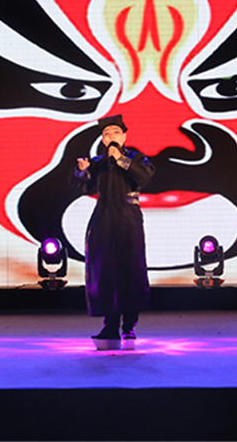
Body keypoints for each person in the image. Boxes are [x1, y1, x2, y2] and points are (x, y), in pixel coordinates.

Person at [74, 114, 155, 350]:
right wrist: (82, 171)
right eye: (107, 133)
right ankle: (110, 326)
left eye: (115, 132)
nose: (111, 136)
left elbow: (144, 176)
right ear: (102, 139)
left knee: (130, 268)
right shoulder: (98, 162)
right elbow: (82, 187)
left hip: (128, 217)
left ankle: (129, 326)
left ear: (124, 136)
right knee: (104, 270)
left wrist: (120, 159)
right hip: (104, 216)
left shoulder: (135, 157)